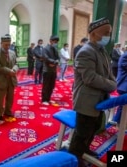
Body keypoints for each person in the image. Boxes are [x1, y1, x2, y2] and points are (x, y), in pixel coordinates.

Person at [68, 17, 117, 167]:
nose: (108, 36)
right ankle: (74, 158)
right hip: (86, 101)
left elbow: (108, 72)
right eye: (106, 33)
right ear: (94, 34)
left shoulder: (101, 51)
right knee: (82, 133)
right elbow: (90, 78)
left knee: (93, 128)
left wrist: (112, 82)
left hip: (99, 100)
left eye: (109, 33)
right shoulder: (86, 52)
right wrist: (111, 85)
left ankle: (84, 150)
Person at [0, 34, 19, 124]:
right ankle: (0, 114)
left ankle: (8, 111)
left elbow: (16, 64)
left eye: (9, 44)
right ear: (1, 43)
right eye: (5, 45)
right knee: (0, 99)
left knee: (10, 98)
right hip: (1, 80)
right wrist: (9, 71)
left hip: (11, 79)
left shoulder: (12, 53)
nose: (7, 46)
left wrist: (14, 69)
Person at [41, 35, 60, 105]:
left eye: (56, 42)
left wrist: (56, 62)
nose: (55, 43)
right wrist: (54, 62)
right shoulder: (45, 49)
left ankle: (48, 99)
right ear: (50, 41)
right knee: (46, 85)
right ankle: (44, 100)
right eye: (55, 41)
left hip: (53, 70)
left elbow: (58, 57)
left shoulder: (55, 49)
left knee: (52, 85)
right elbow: (45, 58)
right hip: (47, 70)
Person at [112, 51, 127, 125]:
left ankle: (120, 122)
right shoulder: (125, 56)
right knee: (122, 106)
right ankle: (118, 122)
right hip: (124, 86)